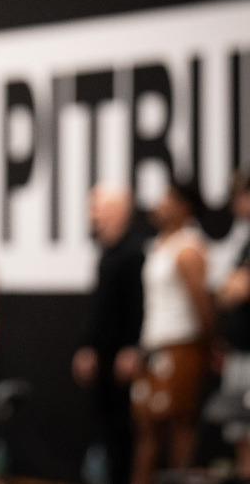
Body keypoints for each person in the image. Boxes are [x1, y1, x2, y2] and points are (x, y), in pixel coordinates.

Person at [118, 178, 213, 484]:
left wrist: (210, 346)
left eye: (167, 197)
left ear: (185, 206)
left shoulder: (189, 249)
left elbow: (203, 306)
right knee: (146, 428)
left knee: (179, 427)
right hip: (153, 348)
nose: (159, 203)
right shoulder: (159, 245)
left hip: (181, 348)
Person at [71, 184, 144, 484]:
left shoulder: (134, 254)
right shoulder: (106, 254)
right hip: (103, 357)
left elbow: (138, 306)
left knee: (124, 432)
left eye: (96, 208)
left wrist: (133, 347)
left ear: (118, 211)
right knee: (106, 430)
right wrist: (87, 346)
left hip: (122, 359)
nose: (92, 215)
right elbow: (100, 310)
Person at [212, 169, 250, 477]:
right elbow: (225, 292)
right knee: (240, 432)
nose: (235, 203)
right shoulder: (244, 243)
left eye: (240, 195)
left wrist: (233, 287)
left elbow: (237, 289)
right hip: (240, 351)